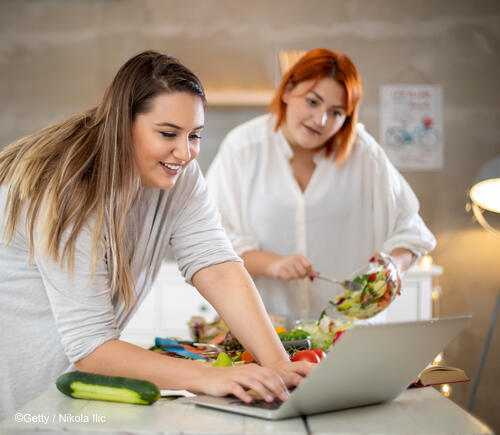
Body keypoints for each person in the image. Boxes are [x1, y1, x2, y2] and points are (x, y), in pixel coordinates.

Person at [0, 51, 312, 420]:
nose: (185, 151)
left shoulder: (180, 174)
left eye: (195, 135)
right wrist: (208, 378)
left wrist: (277, 361)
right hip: (24, 388)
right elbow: (92, 346)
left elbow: (216, 264)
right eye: (167, 133)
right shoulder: (68, 188)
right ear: (121, 124)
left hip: (76, 390)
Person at [206, 48, 436, 325]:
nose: (321, 120)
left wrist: (391, 270)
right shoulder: (242, 148)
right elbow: (214, 240)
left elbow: (411, 231)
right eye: (313, 102)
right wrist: (273, 263)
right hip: (265, 330)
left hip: (346, 333)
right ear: (289, 90)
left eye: (336, 112)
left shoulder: (365, 155)